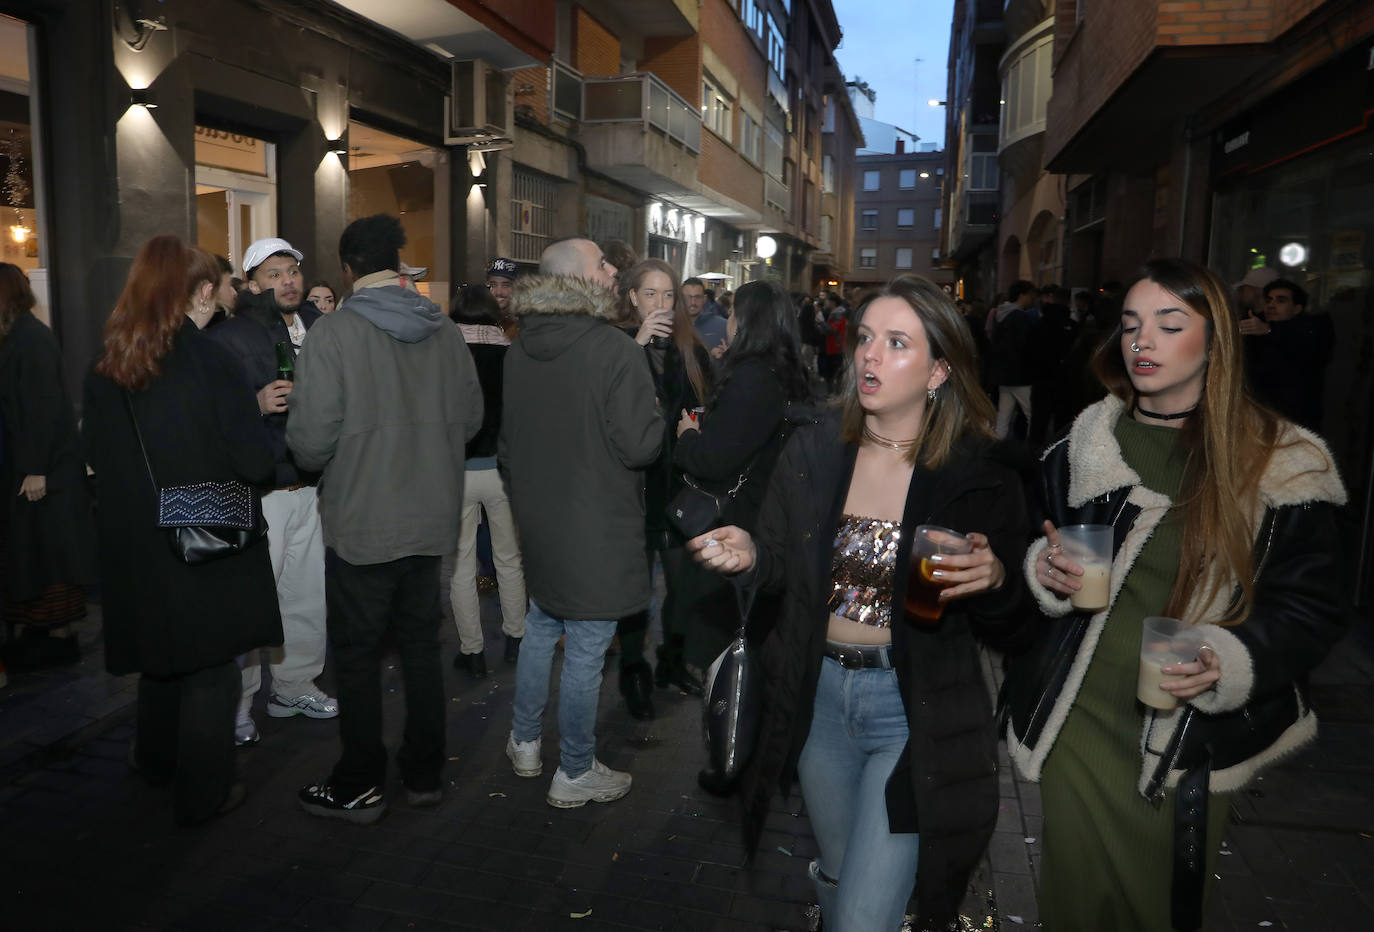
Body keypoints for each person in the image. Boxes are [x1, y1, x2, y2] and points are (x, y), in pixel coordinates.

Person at [1004, 258, 1349, 931]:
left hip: (1191, 731)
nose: (1143, 342)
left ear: (1216, 340)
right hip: (1083, 718)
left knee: (1157, 908)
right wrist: (1041, 570)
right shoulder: (1085, 444)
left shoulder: (1280, 459)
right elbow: (1033, 537)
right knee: (1073, 907)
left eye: (1169, 324)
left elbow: (1313, 606)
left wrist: (1233, 657)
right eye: (1132, 326)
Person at [688, 275, 1030, 931]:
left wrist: (997, 581)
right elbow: (781, 556)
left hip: (907, 713)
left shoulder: (978, 473)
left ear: (938, 369)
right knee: (841, 874)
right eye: (866, 338)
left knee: (866, 918)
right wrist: (750, 553)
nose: (870, 356)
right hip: (817, 702)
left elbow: (1015, 629)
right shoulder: (816, 447)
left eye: (896, 343)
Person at [287, 214, 482, 822]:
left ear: (347, 270)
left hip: (363, 523)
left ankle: (360, 781)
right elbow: (472, 419)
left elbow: (311, 445)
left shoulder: (333, 334)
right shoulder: (445, 332)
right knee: (422, 650)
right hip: (428, 519)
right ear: (397, 266)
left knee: (358, 656)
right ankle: (424, 775)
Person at [82, 235, 281, 825]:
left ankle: (155, 761)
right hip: (203, 531)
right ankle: (204, 793)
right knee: (211, 668)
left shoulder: (108, 362)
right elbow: (253, 462)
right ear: (197, 291)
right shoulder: (210, 359)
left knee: (161, 658)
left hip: (134, 539)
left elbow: (94, 454)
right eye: (216, 285)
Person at [501, 237, 661, 808]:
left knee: (542, 626)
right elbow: (641, 445)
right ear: (581, 280)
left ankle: (523, 742)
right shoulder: (614, 349)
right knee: (588, 645)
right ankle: (574, 770)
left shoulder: (518, 349)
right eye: (603, 263)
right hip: (596, 524)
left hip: (541, 522)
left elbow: (508, 445)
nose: (614, 269)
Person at [211, 236, 335, 746]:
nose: (287, 281)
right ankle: (236, 707)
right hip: (261, 489)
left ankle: (293, 686)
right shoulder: (233, 336)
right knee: (251, 604)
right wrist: (254, 403)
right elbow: (211, 413)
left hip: (312, 483)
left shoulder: (321, 327)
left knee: (306, 597)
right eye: (274, 274)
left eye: (292, 271)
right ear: (252, 283)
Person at [671, 279, 813, 700]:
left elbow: (715, 459)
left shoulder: (753, 379)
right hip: (768, 516)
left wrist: (688, 437)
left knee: (729, 655)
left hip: (738, 521)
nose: (727, 321)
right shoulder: (785, 371)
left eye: (733, 314)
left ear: (749, 323)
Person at [611, 259, 712, 719]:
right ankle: (633, 672)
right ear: (632, 297)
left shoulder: (689, 349)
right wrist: (636, 346)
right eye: (650, 294)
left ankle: (673, 659)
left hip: (676, 484)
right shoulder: (615, 345)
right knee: (633, 587)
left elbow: (708, 404)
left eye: (667, 295)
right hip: (630, 486)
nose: (661, 304)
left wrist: (698, 426)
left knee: (683, 582)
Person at [0, 264, 97, 669]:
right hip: (32, 470)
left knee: (50, 556)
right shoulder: (16, 336)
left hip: (47, 474)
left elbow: (44, 409)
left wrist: (35, 468)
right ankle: (40, 635)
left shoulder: (31, 339)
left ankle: (58, 639)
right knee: (33, 555)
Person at [448, 283, 526, 679]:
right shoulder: (511, 354)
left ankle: (472, 650)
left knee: (461, 564)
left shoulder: (444, 354)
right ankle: (516, 638)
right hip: (501, 471)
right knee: (508, 559)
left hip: (457, 474)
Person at [1240, 277, 1334, 434]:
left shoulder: (1312, 330)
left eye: (1281, 300)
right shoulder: (1256, 327)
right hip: (1257, 416)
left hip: (1294, 420)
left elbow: (1305, 342)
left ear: (1297, 308)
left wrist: (1268, 330)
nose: (1271, 305)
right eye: (1269, 300)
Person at [988, 280, 1038, 439]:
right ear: (1022, 295)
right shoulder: (1019, 317)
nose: (1033, 299)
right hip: (1019, 375)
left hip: (1003, 374)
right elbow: (1024, 346)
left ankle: (995, 447)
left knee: (1003, 415)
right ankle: (1034, 452)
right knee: (1032, 414)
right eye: (1031, 295)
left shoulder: (1000, 314)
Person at [683, 277, 728, 354]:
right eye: (688, 297)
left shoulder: (723, 326)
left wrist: (728, 356)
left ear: (704, 299)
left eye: (697, 297)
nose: (693, 302)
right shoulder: (671, 326)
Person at [485, 256, 518, 332]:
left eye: (506, 285)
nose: (499, 292)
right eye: (493, 285)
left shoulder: (525, 326)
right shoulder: (474, 320)